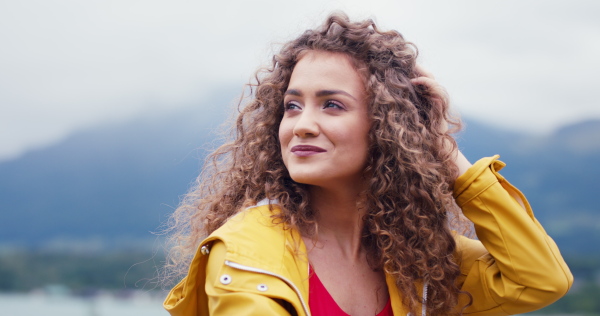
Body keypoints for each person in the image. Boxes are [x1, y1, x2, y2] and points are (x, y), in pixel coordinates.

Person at [162, 13, 572, 316]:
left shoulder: (417, 256)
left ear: (386, 125)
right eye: (292, 106)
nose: (302, 125)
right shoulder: (245, 252)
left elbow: (539, 278)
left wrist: (442, 147)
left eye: (332, 105)